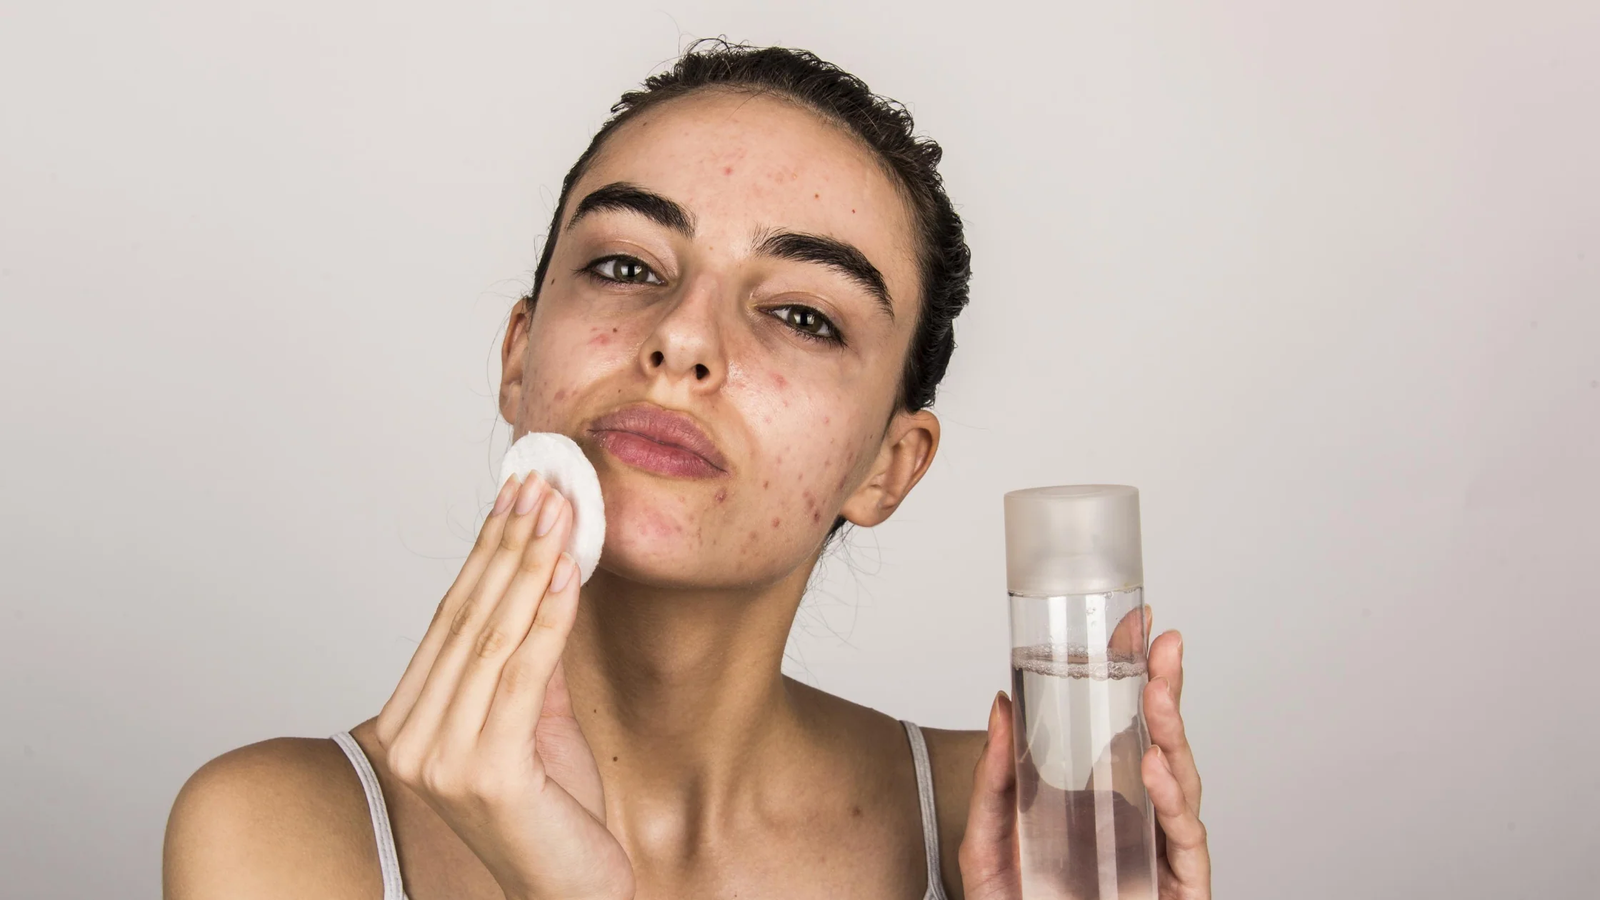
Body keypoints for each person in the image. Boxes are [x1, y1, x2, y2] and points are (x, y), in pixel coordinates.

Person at [162, 41, 1211, 900]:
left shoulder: (1027, 833)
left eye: (801, 315)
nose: (681, 340)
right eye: (626, 266)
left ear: (890, 468)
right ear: (519, 357)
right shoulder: (279, 836)